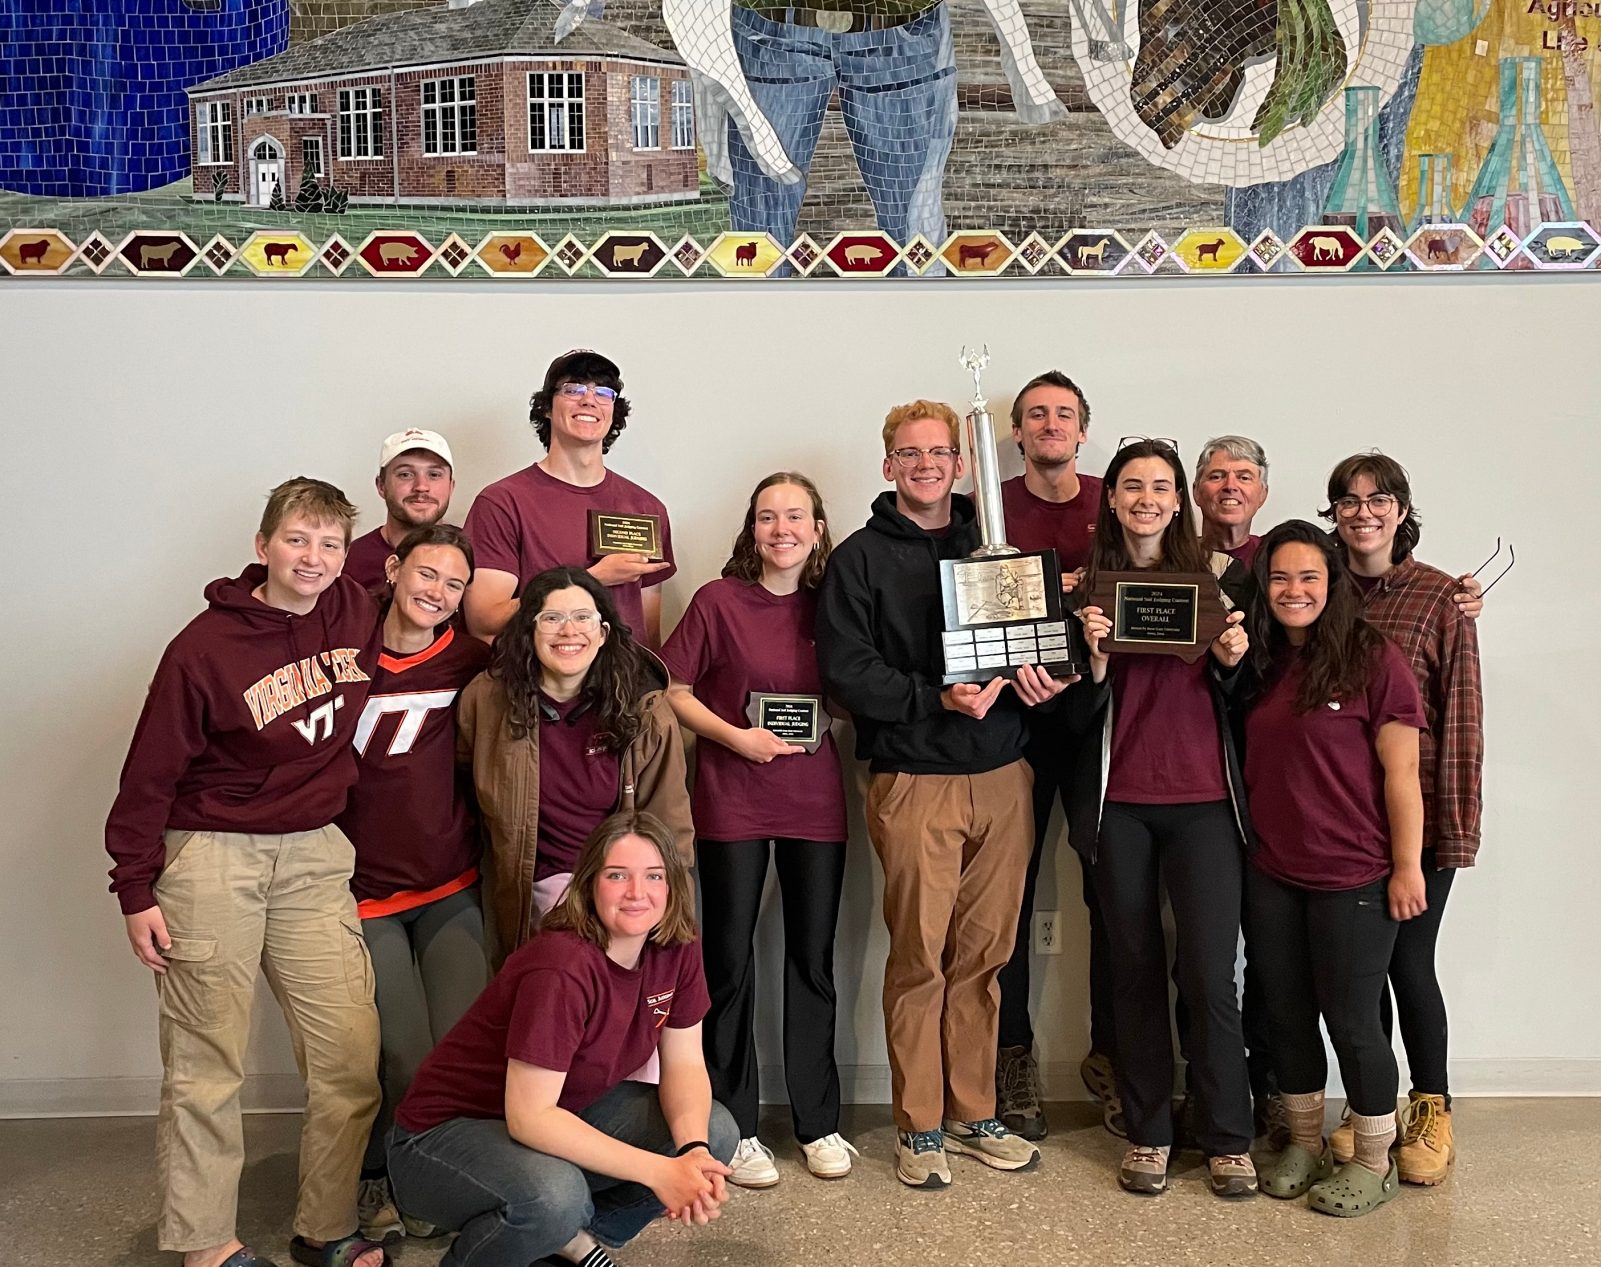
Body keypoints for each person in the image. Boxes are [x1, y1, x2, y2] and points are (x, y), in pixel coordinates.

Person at [105, 478, 388, 1267]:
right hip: (211, 856)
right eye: (298, 539)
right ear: (263, 546)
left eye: (330, 543)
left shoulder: (355, 610)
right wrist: (135, 886)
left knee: (347, 1054)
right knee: (207, 1064)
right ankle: (205, 1245)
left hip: (312, 855)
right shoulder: (202, 648)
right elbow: (147, 777)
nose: (315, 557)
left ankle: (325, 1226)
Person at [816, 399, 1067, 1189]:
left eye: (939, 452)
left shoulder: (996, 550)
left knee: (985, 957)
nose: (926, 464)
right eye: (908, 452)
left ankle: (973, 1111)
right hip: (914, 778)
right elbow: (847, 670)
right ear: (887, 464)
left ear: (961, 465)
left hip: (1001, 775)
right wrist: (935, 698)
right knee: (920, 957)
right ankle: (918, 1125)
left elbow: (1033, 638)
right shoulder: (857, 558)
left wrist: (1039, 677)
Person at [388, 811, 739, 1267]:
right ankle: (546, 1232)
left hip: (558, 1111)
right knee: (555, 1196)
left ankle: (566, 1244)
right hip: (439, 1140)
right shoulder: (562, 964)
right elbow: (529, 1117)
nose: (638, 893)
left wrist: (691, 1156)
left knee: (714, 1130)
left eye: (654, 875)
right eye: (618, 876)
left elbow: (686, 1064)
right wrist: (660, 1172)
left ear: (671, 885)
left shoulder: (676, 944)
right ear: (590, 884)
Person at [1070, 438, 1258, 1200]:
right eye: (1131, 486)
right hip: (1120, 808)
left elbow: (1251, 701)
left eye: (1159, 486)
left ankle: (1226, 1137)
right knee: (1135, 970)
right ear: (1110, 498)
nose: (1146, 497)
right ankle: (1149, 1131)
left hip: (1206, 806)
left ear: (1178, 500)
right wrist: (1092, 664)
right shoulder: (1084, 589)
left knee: (1211, 974)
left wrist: (1234, 660)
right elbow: (1065, 717)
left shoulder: (1217, 580)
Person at [662, 472, 855, 1188]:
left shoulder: (835, 604)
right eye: (768, 516)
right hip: (731, 797)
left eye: (795, 515)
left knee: (812, 959)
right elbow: (672, 688)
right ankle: (734, 1124)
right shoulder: (718, 600)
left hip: (813, 802)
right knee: (729, 961)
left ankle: (818, 1122)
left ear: (816, 526)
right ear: (751, 528)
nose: (782, 529)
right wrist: (734, 739)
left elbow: (851, 687)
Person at [1237, 519, 1428, 1217]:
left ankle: (1374, 1159)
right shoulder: (1256, 661)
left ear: (1332, 581)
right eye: (1279, 577)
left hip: (1354, 874)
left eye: (1308, 576)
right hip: (1272, 872)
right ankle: (1303, 1142)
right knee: (1285, 1015)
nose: (1293, 589)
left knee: (1351, 1020)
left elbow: (1401, 770)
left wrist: (1405, 866)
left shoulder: (1373, 658)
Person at [1321, 453, 1484, 1187]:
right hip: (1341, 822)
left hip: (1418, 818)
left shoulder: (1438, 597)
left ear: (1399, 508)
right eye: (1348, 500)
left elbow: (1461, 718)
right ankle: (1370, 1110)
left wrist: (1451, 830)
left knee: (1406, 961)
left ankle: (1432, 1105)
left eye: (1377, 499)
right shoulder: (1318, 591)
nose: (1362, 511)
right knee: (1360, 973)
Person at [336, 524, 491, 1244]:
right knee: (400, 1052)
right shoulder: (343, 653)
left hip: (448, 884)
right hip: (364, 893)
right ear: (394, 569)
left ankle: (438, 1183)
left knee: (458, 1048)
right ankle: (380, 1178)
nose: (437, 592)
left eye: (454, 584)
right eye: (426, 574)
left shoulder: (469, 660)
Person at [990, 370, 1115, 1142]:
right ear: (1017, 430)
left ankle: (1111, 1057)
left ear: (1081, 429)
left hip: (1103, 721)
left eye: (1062, 414)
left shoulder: (1118, 498)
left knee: (1114, 891)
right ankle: (1011, 1058)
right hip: (1012, 723)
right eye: (1035, 414)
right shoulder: (990, 507)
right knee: (1010, 898)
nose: (1049, 425)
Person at [458, 567, 693, 968]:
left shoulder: (645, 710)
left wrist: (672, 919)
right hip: (530, 888)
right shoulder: (487, 699)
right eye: (552, 618)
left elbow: (669, 825)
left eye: (583, 618)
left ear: (603, 633)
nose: (569, 631)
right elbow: (463, 793)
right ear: (529, 632)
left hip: (618, 886)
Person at [463, 350, 675, 648]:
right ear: (547, 407)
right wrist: (591, 578)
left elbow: (648, 634)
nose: (589, 399)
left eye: (603, 392)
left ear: (614, 410)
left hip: (625, 687)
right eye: (573, 389)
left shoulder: (646, 507)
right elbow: (484, 621)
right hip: (535, 687)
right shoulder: (502, 502)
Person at [344, 429, 456, 592]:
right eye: (405, 474)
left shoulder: (476, 557)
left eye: (434, 474)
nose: (421, 486)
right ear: (381, 486)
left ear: (451, 486)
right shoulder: (349, 563)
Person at [1193, 435, 1272, 567]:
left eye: (1244, 478)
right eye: (1216, 476)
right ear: (1196, 492)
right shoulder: (1174, 558)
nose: (1230, 486)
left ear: (1263, 494)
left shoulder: (1276, 557)